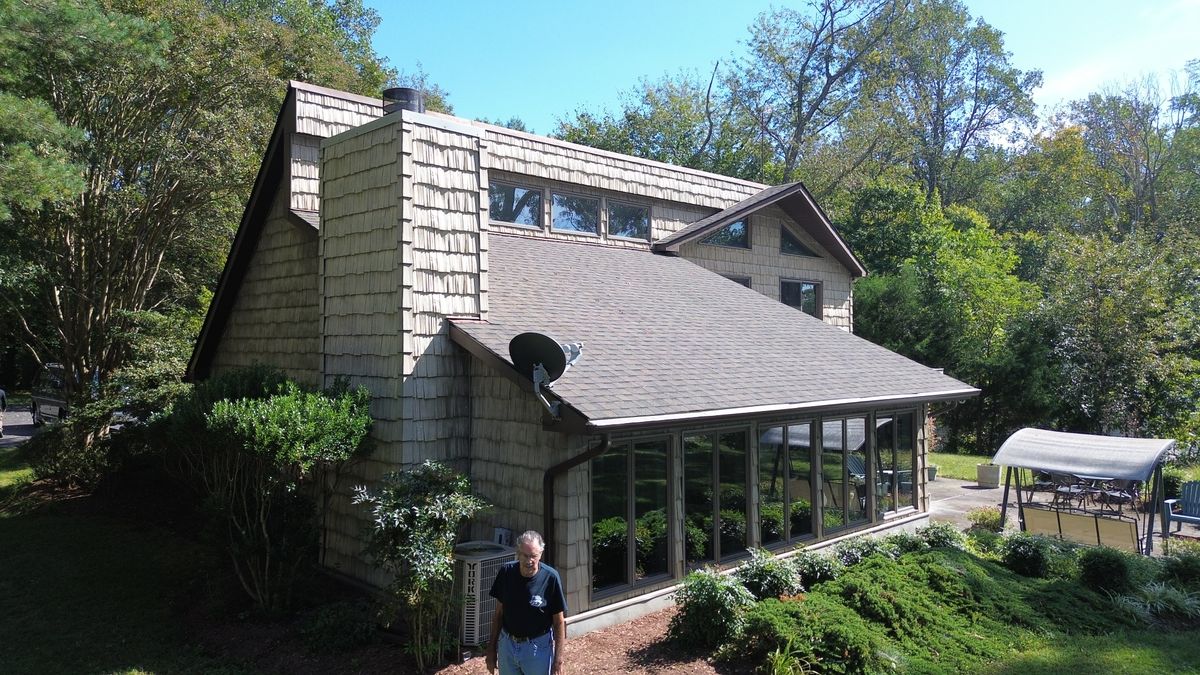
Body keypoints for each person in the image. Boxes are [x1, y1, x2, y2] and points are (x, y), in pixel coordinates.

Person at [486, 530, 566, 675]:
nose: (529, 561)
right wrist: (491, 649)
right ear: (518, 553)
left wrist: (558, 660)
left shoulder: (551, 578)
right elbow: (498, 614)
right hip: (507, 645)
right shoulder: (506, 572)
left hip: (537, 648)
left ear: (540, 554)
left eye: (534, 556)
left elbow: (559, 622)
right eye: (525, 555)